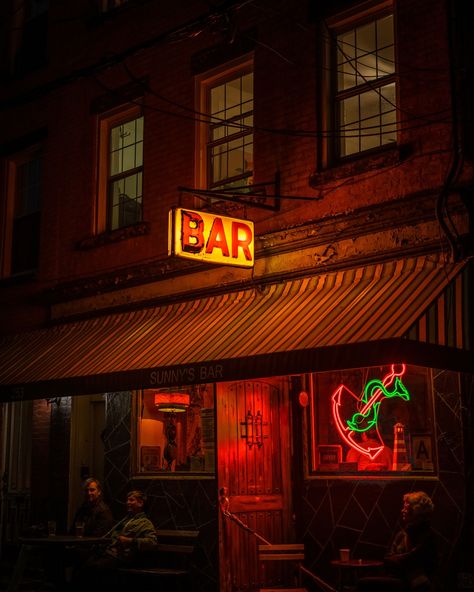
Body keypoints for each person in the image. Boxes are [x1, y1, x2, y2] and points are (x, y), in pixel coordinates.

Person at [76, 489, 157, 591]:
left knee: (93, 569)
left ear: (140, 503)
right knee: (83, 566)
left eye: (131, 500)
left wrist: (130, 541)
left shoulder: (145, 523)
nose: (128, 503)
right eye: (127, 500)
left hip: (120, 557)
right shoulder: (126, 519)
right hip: (109, 553)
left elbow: (152, 542)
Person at [356, 491, 437, 591]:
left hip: (413, 583)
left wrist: (396, 561)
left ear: (416, 511)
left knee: (364, 584)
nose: (402, 510)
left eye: (406, 508)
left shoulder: (427, 536)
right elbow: (389, 557)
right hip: (398, 578)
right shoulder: (402, 534)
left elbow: (411, 559)